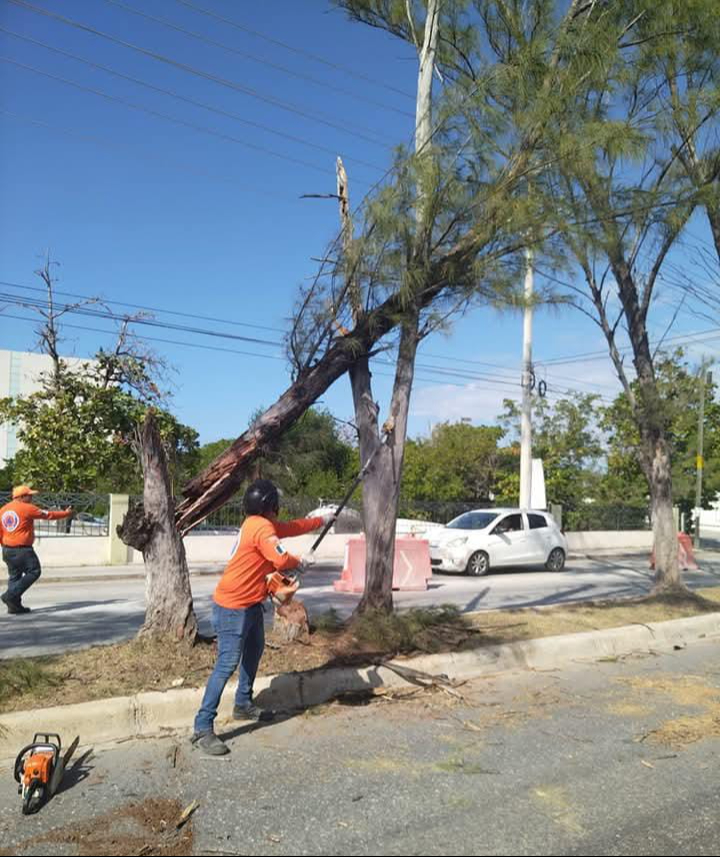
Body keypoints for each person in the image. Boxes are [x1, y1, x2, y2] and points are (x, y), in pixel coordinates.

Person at [191, 479, 331, 756]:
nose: (278, 509)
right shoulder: (260, 527)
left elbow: (290, 528)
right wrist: (299, 561)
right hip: (233, 606)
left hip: (252, 603)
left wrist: (319, 522)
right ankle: (202, 727)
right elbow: (279, 559)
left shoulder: (257, 523)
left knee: (254, 652)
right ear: (270, 506)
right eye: (276, 504)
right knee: (227, 663)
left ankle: (243, 704)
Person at [0, 486, 74, 615]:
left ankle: (14, 606)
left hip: (7, 549)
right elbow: (49, 514)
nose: (32, 498)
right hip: (22, 549)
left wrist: (4, 545)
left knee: (15, 576)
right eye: (29, 495)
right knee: (34, 571)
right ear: (22, 497)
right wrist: (66, 513)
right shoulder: (27, 508)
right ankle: (10, 595)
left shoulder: (3, 510)